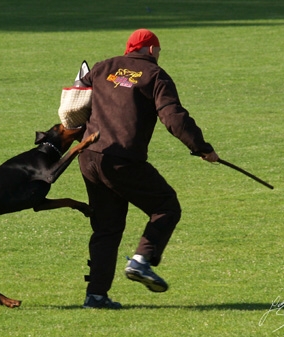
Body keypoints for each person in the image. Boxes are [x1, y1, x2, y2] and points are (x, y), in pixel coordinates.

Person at [78, 29, 219, 309]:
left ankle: (96, 296)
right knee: (165, 205)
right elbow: (173, 117)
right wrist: (201, 147)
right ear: (152, 50)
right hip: (122, 159)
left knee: (106, 227)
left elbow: (75, 101)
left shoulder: (102, 67)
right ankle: (141, 262)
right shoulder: (155, 75)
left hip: (90, 156)